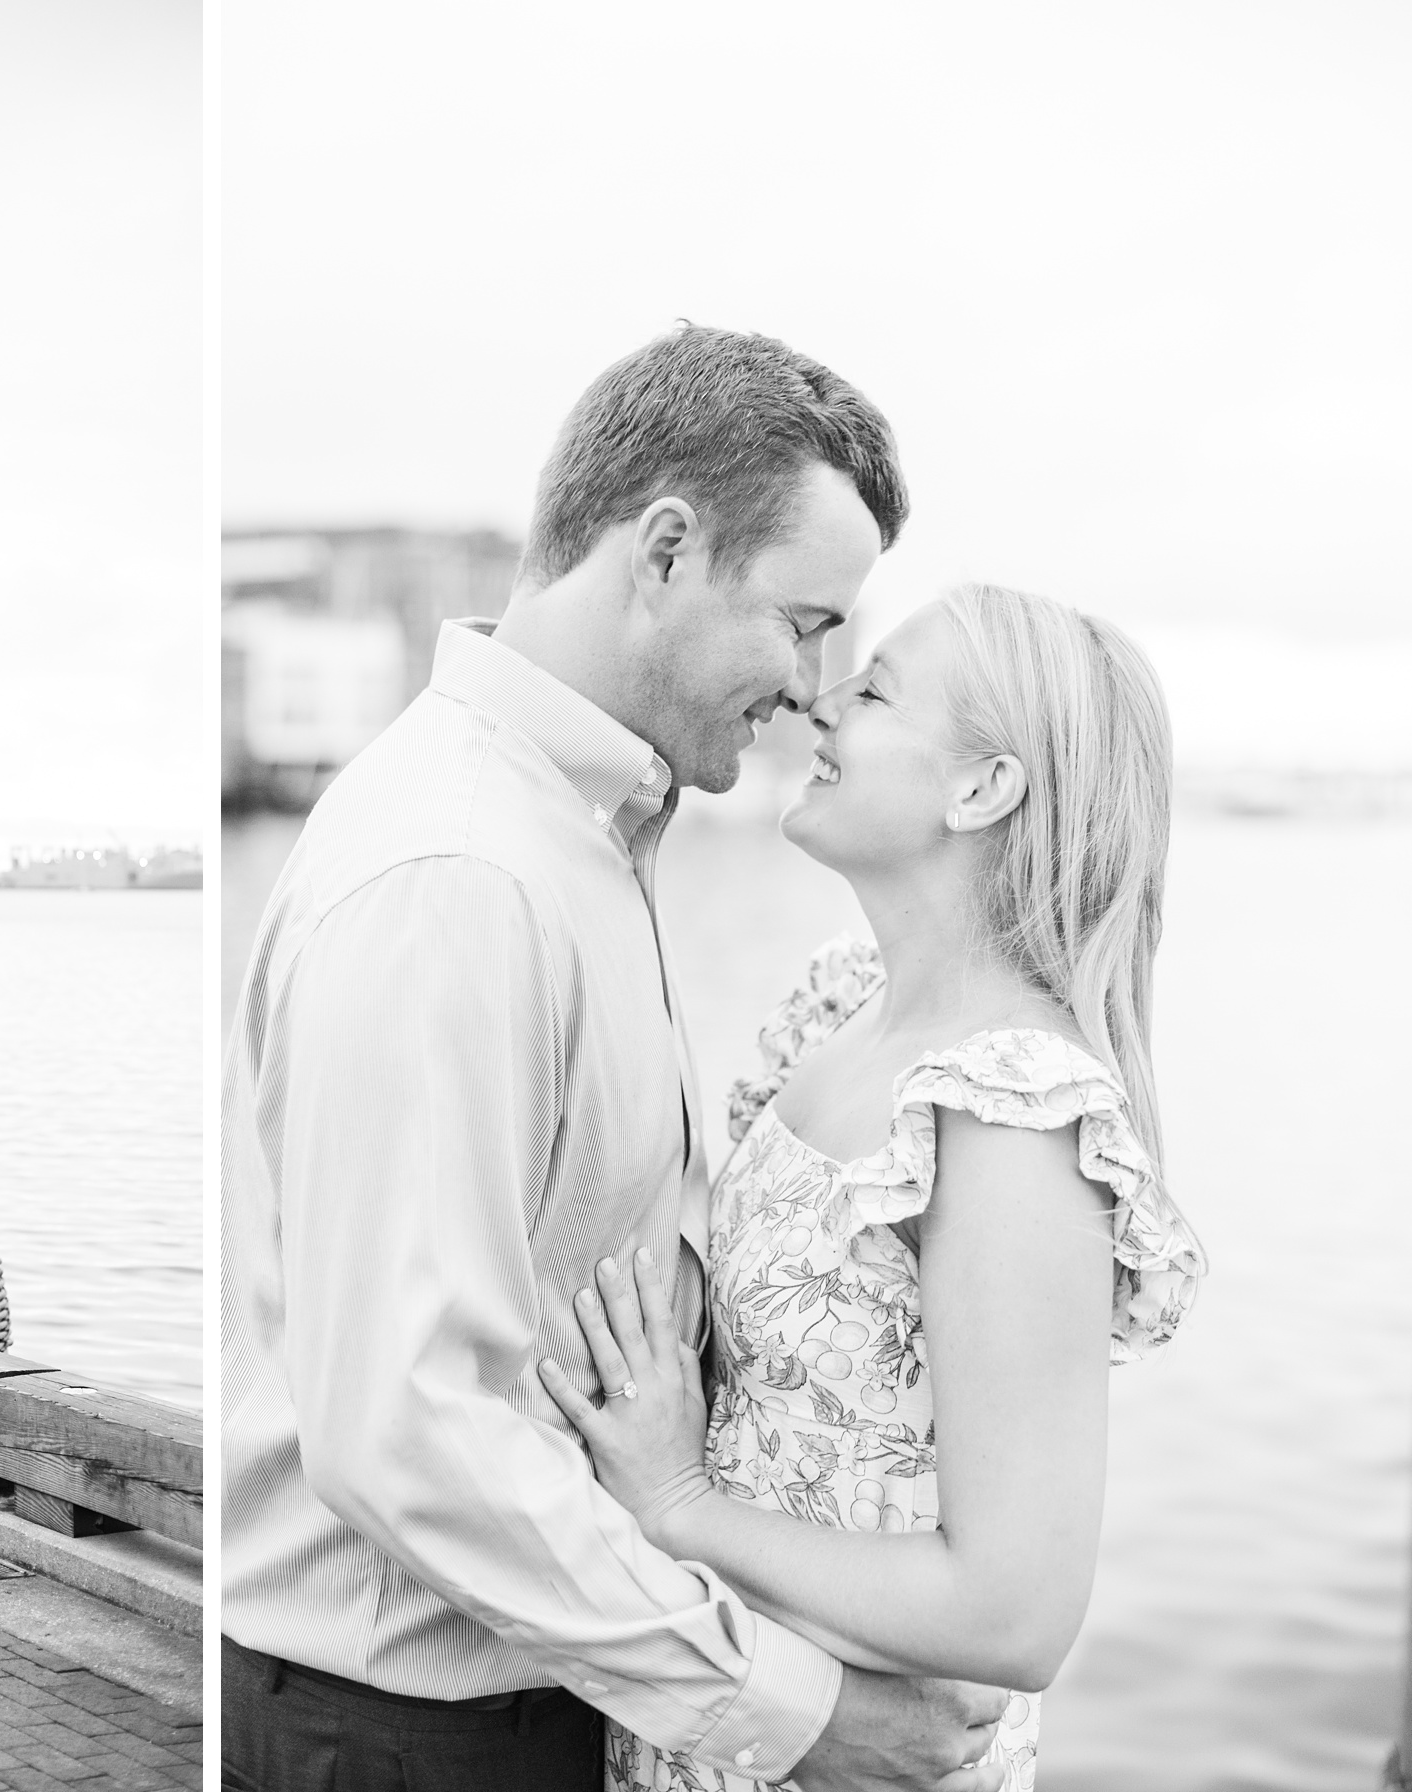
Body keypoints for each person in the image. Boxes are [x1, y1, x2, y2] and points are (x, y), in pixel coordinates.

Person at [223, 326, 1014, 1791]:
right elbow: (407, 1427)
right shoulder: (459, 874)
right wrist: (796, 1710)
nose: (811, 685)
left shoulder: (573, 836)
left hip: (517, 1704)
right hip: (403, 1734)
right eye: (803, 621)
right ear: (663, 552)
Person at [542, 585, 1206, 1789]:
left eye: (877, 688)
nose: (816, 696)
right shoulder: (844, 1008)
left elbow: (1014, 1613)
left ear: (981, 789)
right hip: (737, 1726)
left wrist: (680, 1503)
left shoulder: (1009, 1120)